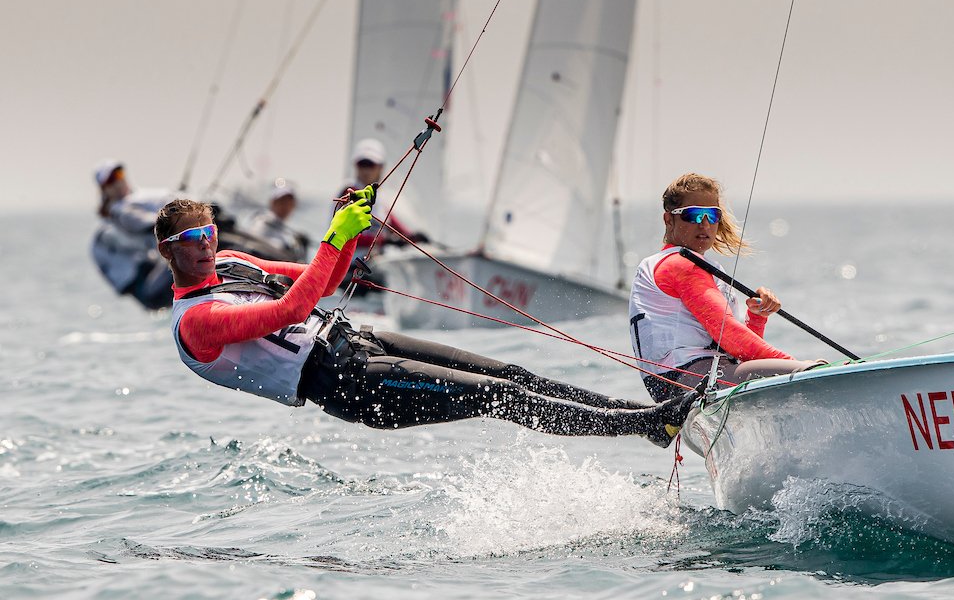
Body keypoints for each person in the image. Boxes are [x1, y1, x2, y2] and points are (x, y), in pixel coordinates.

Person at [156, 192, 695, 445]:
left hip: (357, 343)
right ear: (168, 252)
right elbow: (293, 308)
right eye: (190, 241)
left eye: (208, 235)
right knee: (493, 396)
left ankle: (643, 418)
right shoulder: (196, 323)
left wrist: (352, 233)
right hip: (345, 385)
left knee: (511, 374)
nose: (205, 247)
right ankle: (643, 424)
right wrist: (333, 235)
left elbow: (324, 276)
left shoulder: (230, 263)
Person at [629, 172, 826, 400]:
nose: (704, 224)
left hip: (690, 382)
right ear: (668, 219)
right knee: (811, 373)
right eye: (693, 215)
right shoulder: (680, 266)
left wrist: (757, 317)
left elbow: (740, 353)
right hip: (688, 381)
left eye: (712, 215)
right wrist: (801, 368)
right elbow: (731, 336)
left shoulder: (681, 264)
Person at [91, 159, 176, 309]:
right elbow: (146, 224)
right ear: (104, 189)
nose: (118, 181)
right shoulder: (113, 223)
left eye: (119, 174)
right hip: (149, 290)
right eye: (111, 180)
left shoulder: (133, 204)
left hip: (156, 278)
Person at [340, 138, 429, 251]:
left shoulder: (377, 198)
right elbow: (346, 235)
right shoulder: (349, 192)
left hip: (369, 260)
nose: (366, 170)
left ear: (380, 167)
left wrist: (413, 238)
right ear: (355, 165)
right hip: (350, 263)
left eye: (371, 165)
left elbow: (391, 223)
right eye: (362, 164)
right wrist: (383, 240)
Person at [245, 179, 310, 260]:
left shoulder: (284, 228)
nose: (285, 206)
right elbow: (253, 243)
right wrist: (288, 249)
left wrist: (300, 246)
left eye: (289, 202)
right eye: (281, 201)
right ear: (272, 202)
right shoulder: (262, 222)